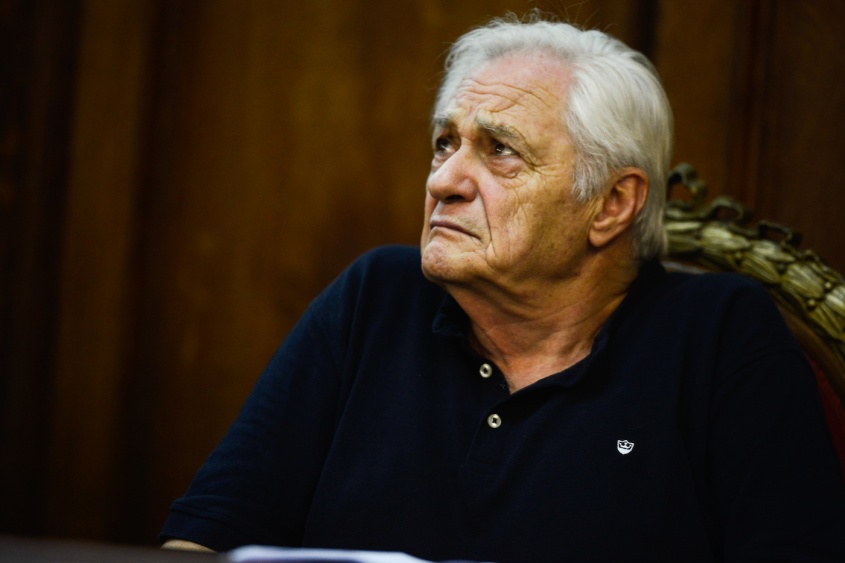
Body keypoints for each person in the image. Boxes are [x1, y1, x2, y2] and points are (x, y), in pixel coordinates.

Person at [161, 14, 845, 561]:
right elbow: (207, 535)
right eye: (444, 143)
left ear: (610, 205)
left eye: (499, 151)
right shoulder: (375, 299)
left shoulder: (719, 336)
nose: (443, 181)